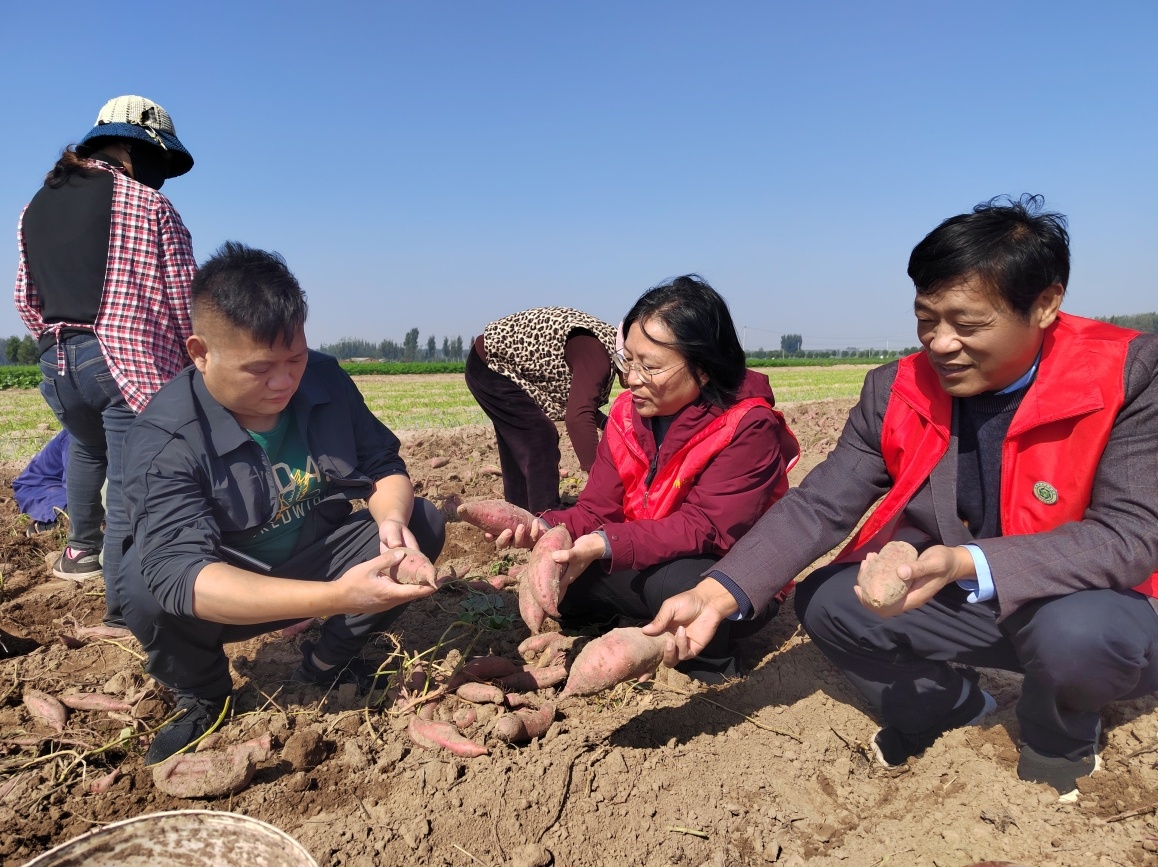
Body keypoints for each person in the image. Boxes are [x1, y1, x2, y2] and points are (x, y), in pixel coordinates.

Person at [645, 196, 1158, 798]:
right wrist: (718, 591)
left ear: (1044, 304)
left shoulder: (1127, 376)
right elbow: (820, 505)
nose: (940, 343)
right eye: (926, 320)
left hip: (1097, 609)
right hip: (968, 601)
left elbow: (1130, 537)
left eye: (966, 324)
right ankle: (949, 705)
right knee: (830, 600)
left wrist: (965, 562)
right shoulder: (897, 390)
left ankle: (1059, 734)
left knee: (1078, 633)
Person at [119, 243, 446, 764]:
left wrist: (391, 524)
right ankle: (204, 696)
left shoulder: (324, 379)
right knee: (142, 586)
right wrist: (338, 596)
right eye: (260, 367)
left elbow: (383, 464)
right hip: (232, 585)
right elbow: (182, 575)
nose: (284, 381)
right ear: (200, 353)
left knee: (421, 522)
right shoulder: (166, 437)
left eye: (294, 359)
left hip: (316, 553)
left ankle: (326, 662)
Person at [499, 276, 799, 682]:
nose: (631, 379)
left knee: (683, 585)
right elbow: (595, 509)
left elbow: (707, 527)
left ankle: (710, 671)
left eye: (650, 367)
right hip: (646, 553)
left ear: (704, 368)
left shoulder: (748, 425)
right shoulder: (627, 415)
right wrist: (546, 527)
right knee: (559, 574)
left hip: (726, 574)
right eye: (628, 362)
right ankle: (633, 623)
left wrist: (607, 544)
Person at [14, 95, 197, 624]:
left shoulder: (34, 206)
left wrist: (61, 347)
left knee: (86, 450)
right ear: (139, 149)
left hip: (56, 362)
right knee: (127, 475)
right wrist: (195, 368)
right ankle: (123, 606)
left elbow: (26, 298)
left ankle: (78, 553)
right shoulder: (147, 204)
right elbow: (184, 300)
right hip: (122, 362)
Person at [465, 307, 617, 512]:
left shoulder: (600, 346)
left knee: (521, 441)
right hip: (491, 367)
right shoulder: (598, 357)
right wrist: (601, 481)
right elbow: (579, 417)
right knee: (539, 436)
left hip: (490, 365)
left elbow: (582, 405)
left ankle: (521, 511)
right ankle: (546, 515)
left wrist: (611, 425)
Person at [12, 430, 69, 535]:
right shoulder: (77, 435)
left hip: (63, 484)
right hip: (38, 486)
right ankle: (41, 527)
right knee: (75, 511)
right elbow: (74, 485)